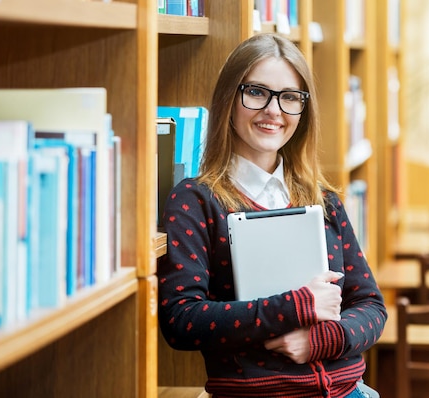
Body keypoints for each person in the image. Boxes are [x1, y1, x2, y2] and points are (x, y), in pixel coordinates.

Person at [157, 32, 387, 398]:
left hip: (350, 392)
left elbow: (372, 307)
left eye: (290, 97)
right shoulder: (196, 200)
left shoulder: (323, 199)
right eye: (257, 92)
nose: (274, 111)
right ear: (229, 99)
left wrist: (322, 340)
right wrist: (296, 306)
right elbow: (181, 320)